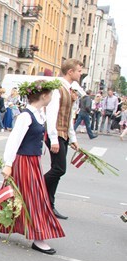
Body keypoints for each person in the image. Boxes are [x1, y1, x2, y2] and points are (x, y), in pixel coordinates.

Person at [0, 79, 65, 254]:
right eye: (50, 95)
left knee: (15, 196)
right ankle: (38, 236)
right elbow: (14, 141)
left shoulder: (39, 114)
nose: (51, 98)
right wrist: (8, 164)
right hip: (23, 161)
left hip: (32, 161)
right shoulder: (26, 116)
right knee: (34, 197)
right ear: (43, 95)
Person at [43, 59, 83, 221]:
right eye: (79, 71)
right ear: (70, 72)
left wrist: (72, 138)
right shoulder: (58, 89)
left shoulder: (69, 90)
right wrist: (53, 139)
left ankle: (49, 205)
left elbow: (68, 117)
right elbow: (51, 115)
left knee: (57, 171)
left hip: (64, 134)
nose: (81, 73)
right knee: (59, 169)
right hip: (56, 135)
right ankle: (35, 190)